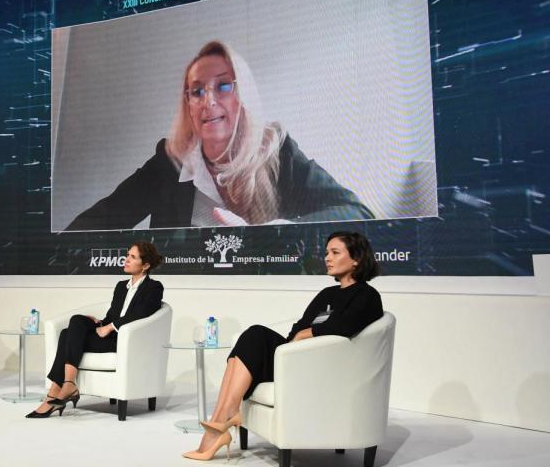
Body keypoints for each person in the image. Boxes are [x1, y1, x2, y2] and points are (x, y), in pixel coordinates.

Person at [67, 40, 373, 230]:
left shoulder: (277, 151)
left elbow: (357, 213)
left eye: (224, 85)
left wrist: (274, 231)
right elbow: (103, 218)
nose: (208, 100)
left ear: (244, 95)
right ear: (187, 103)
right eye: (196, 91)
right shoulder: (170, 161)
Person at [182, 231, 384, 461]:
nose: (327, 258)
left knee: (256, 336)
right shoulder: (328, 293)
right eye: (327, 252)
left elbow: (345, 325)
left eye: (335, 253)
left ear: (356, 258)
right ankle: (220, 420)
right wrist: (295, 341)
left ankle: (220, 425)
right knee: (251, 337)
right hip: (294, 359)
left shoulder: (367, 295)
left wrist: (303, 336)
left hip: (321, 367)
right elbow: (299, 325)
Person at [26, 240, 165, 418]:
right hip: (107, 332)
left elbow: (142, 313)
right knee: (75, 323)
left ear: (145, 265)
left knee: (67, 335)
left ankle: (56, 392)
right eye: (127, 255)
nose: (126, 259)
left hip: (123, 340)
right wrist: (100, 322)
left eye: (132, 257)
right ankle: (68, 383)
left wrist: (110, 327)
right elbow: (112, 315)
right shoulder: (121, 286)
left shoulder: (153, 287)